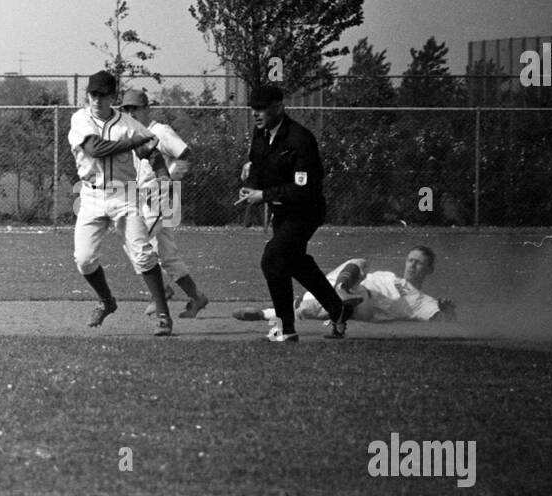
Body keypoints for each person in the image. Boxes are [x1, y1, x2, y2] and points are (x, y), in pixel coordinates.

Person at [236, 84, 349, 343]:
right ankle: (339, 309)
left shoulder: (300, 139)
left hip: (305, 211)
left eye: (262, 108)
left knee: (272, 259)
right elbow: (257, 163)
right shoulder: (261, 133)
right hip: (283, 212)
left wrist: (263, 195)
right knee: (295, 262)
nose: (256, 113)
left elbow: (304, 188)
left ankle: (285, 328)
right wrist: (251, 184)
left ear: (279, 107)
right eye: (253, 108)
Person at [69, 70, 175, 336]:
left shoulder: (127, 123)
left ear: (113, 97)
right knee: (84, 260)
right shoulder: (80, 118)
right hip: (91, 196)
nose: (97, 100)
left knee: (143, 253)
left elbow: (151, 153)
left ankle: (163, 314)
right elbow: (95, 149)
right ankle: (107, 301)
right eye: (93, 94)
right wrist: (133, 142)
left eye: (103, 96)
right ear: (87, 95)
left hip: (124, 196)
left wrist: (163, 176)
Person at [116, 87, 209, 319]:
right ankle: (196, 297)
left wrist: (169, 183)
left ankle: (162, 291)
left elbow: (185, 154)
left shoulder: (160, 131)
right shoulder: (132, 135)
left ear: (147, 108)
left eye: (134, 108)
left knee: (134, 242)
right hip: (142, 200)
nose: (130, 112)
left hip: (158, 199)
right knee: (167, 256)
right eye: (126, 109)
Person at [234, 245, 457, 325]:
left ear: (429, 270)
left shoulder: (423, 300)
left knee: (318, 301)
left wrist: (448, 311)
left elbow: (443, 322)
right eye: (410, 260)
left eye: (419, 263)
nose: (412, 265)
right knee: (307, 304)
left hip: (365, 303)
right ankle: (264, 314)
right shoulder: (388, 275)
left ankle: (342, 294)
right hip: (350, 289)